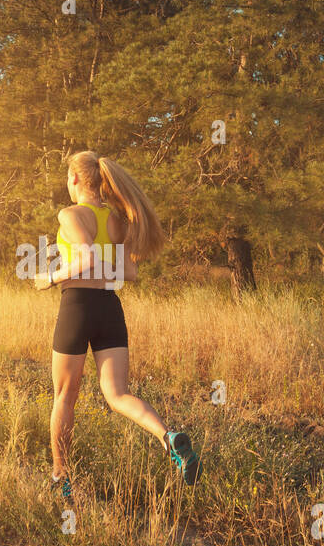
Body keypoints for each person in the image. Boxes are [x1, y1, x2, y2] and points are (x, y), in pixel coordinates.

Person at [34, 150, 200, 504]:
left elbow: (86, 257)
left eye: (68, 177)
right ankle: (169, 438)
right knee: (118, 395)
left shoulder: (70, 214)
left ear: (76, 179)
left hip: (77, 307)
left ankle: (61, 478)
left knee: (64, 397)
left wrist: (50, 278)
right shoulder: (118, 220)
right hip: (109, 307)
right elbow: (129, 273)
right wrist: (100, 272)